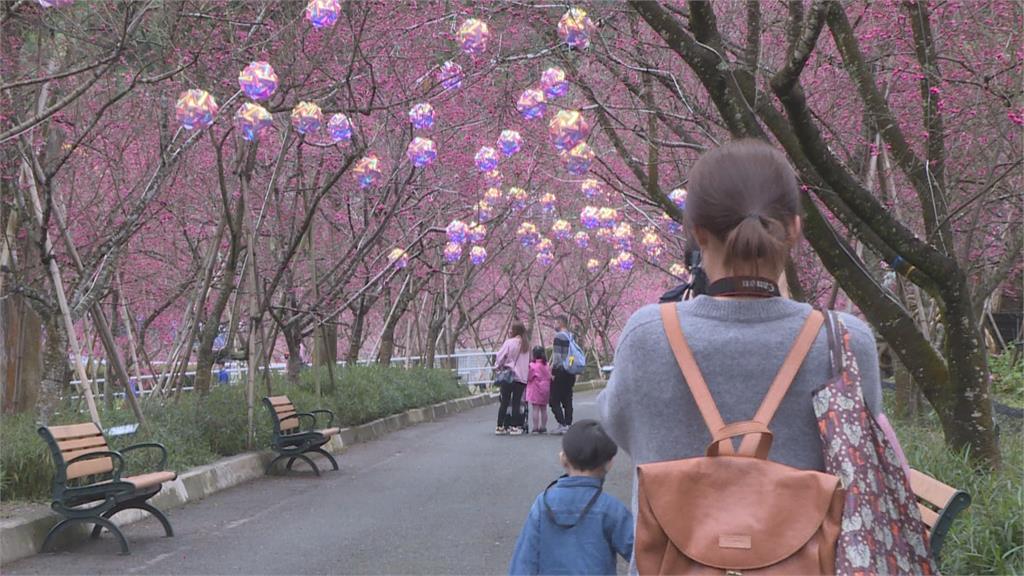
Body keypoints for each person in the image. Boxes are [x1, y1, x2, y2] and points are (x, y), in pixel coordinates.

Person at [597, 139, 886, 570]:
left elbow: (619, 426)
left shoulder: (647, 334)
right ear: (794, 230)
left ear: (697, 233)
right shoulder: (843, 342)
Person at [508, 420, 633, 575]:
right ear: (609, 463)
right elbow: (642, 554)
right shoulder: (611, 509)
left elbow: (523, 562)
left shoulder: (542, 504)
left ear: (563, 459)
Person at [494, 321, 531, 436]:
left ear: (515, 331)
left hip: (509, 376)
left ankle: (500, 426)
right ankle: (515, 427)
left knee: (504, 401)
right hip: (521, 378)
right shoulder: (527, 345)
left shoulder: (509, 343)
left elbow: (500, 356)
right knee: (516, 402)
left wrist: (497, 367)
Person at [548, 316, 576, 434]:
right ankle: (568, 424)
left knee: (554, 400)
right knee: (567, 398)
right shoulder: (571, 336)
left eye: (555, 322)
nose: (554, 325)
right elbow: (572, 355)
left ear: (560, 323)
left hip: (560, 372)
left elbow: (557, 356)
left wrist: (554, 371)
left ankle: (562, 423)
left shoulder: (559, 336)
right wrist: (569, 366)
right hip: (569, 371)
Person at [526, 346, 552, 434]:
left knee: (535, 409)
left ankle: (535, 427)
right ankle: (543, 427)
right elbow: (549, 376)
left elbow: (529, 377)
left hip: (536, 389)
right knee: (544, 409)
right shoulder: (547, 365)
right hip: (545, 389)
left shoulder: (532, 366)